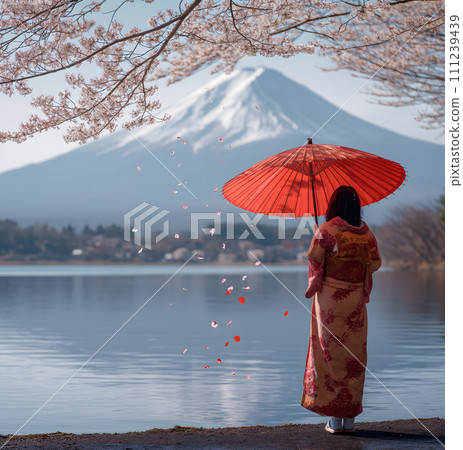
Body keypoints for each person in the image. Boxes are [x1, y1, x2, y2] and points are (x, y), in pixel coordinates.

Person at [300, 185, 382, 434]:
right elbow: (375, 263)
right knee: (353, 357)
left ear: (334, 205)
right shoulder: (366, 234)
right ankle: (350, 420)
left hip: (330, 300)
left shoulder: (327, 230)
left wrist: (320, 239)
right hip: (355, 298)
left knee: (329, 353)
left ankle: (335, 421)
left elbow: (315, 259)